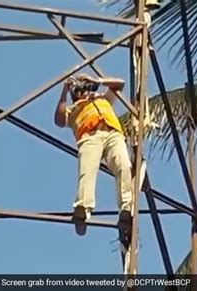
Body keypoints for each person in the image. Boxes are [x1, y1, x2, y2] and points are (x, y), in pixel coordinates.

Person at [54, 73, 133, 245]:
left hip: (112, 133)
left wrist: (97, 81)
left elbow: (120, 83)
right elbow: (59, 120)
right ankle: (83, 207)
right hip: (89, 136)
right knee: (87, 171)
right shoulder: (73, 109)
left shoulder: (102, 99)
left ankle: (126, 207)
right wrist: (64, 92)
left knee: (124, 166)